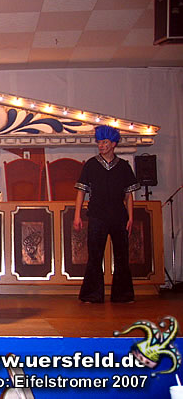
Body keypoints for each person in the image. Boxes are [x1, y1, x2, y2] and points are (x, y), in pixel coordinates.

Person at [73, 125, 140, 304]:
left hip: (119, 217)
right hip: (97, 216)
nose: (101, 145)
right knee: (95, 256)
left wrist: (131, 217)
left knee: (122, 256)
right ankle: (92, 295)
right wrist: (77, 215)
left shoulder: (123, 166)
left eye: (104, 142)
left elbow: (129, 195)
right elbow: (81, 191)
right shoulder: (91, 164)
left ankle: (123, 295)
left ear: (113, 144)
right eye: (99, 142)